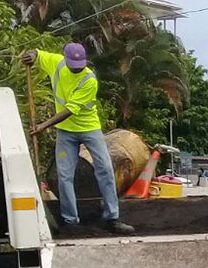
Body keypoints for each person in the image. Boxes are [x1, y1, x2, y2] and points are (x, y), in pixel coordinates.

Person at [21, 44, 134, 235]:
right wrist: (31, 55)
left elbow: (69, 110)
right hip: (65, 132)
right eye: (73, 65)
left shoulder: (89, 79)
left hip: (89, 128)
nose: (76, 69)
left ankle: (111, 218)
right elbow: (38, 54)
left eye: (80, 65)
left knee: (105, 169)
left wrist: (43, 126)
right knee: (64, 175)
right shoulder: (56, 63)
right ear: (65, 59)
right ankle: (70, 221)